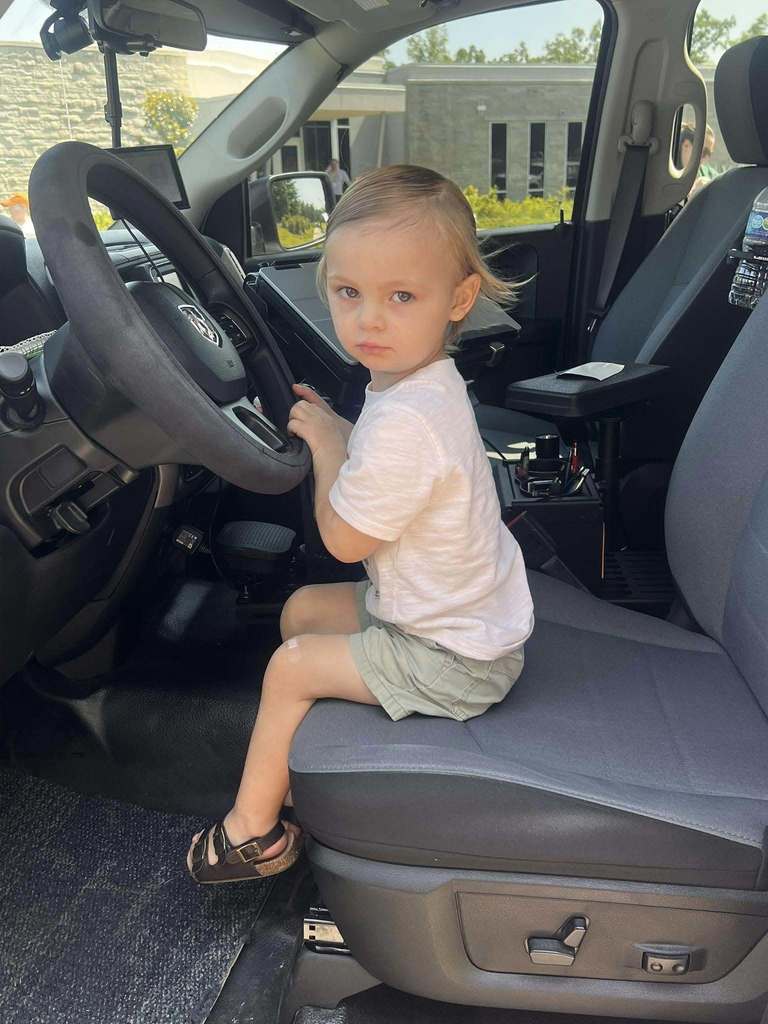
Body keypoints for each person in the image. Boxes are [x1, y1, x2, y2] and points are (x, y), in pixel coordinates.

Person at [187, 164, 535, 883]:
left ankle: (251, 835)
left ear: (459, 298)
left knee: (290, 666)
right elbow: (377, 455)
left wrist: (325, 446)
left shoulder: (411, 418)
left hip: (455, 657)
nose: (369, 320)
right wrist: (339, 429)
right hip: (444, 614)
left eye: (401, 296)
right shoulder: (416, 382)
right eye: (349, 293)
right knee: (302, 611)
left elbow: (344, 540)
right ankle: (300, 762)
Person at [678, 123, 718, 196]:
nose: (706, 159)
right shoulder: (667, 171)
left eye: (709, 154)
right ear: (686, 145)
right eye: (704, 152)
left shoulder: (709, 174)